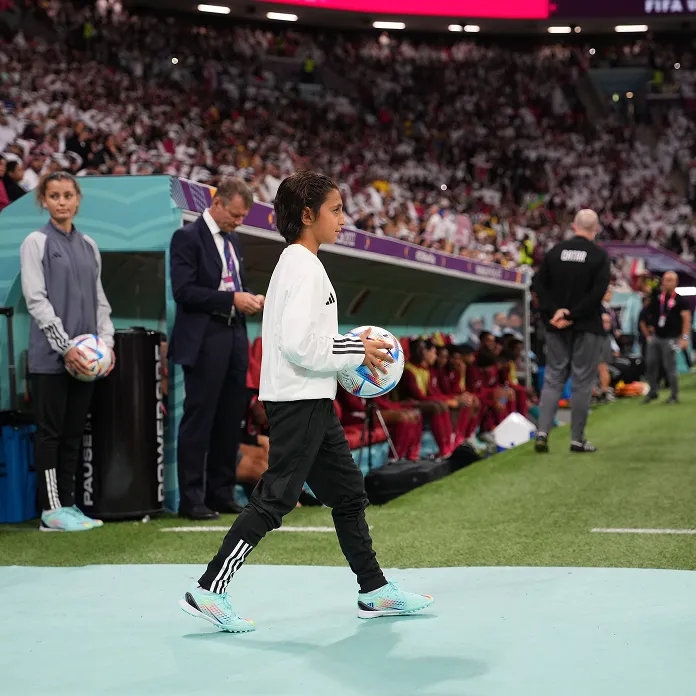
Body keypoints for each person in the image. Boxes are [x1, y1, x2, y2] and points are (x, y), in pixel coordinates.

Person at [179, 171, 433, 632]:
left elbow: (307, 342)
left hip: (310, 399)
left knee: (350, 494)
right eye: (336, 210)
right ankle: (209, 588)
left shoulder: (300, 263)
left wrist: (348, 355)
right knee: (275, 499)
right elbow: (300, 344)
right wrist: (357, 349)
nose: (343, 219)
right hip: (299, 402)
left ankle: (374, 591)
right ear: (308, 215)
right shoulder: (303, 265)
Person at [19, 171, 115, 532]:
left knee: (74, 433)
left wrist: (106, 343)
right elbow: (35, 299)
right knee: (50, 433)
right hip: (51, 359)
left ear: (77, 200)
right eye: (54, 195)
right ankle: (50, 511)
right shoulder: (36, 242)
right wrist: (65, 346)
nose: (61, 201)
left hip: (86, 362)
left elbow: (100, 299)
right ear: (43, 200)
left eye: (68, 195)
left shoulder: (89, 244)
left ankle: (70, 505)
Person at [169, 178, 264, 520]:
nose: (238, 222)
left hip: (234, 335)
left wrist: (249, 298)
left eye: (242, 217)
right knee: (199, 421)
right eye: (235, 215)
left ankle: (221, 493)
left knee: (229, 419)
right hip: (204, 339)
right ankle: (191, 499)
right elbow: (183, 292)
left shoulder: (234, 241)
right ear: (218, 203)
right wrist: (231, 299)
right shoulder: (187, 237)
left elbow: (236, 284)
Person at [532, 209, 610, 454]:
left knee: (553, 378)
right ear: (595, 228)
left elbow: (537, 284)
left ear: (574, 226)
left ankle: (542, 433)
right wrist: (572, 314)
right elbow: (597, 294)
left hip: (556, 326)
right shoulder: (599, 256)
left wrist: (555, 312)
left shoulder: (555, 252)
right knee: (582, 382)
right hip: (586, 326)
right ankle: (577, 439)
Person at [643, 271, 691, 405]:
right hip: (656, 337)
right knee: (650, 364)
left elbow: (686, 320)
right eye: (665, 279)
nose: (667, 282)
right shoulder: (658, 297)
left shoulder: (681, 300)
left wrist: (684, 338)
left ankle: (674, 395)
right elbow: (649, 313)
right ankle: (653, 391)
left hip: (671, 338)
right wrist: (649, 328)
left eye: (670, 280)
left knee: (670, 366)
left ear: (676, 282)